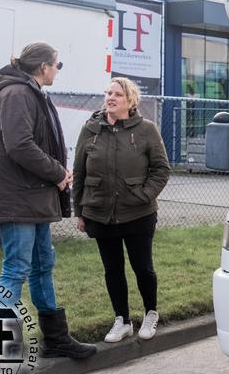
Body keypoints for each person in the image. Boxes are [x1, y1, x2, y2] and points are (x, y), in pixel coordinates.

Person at [0, 42, 96, 359]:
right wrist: (57, 173)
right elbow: (19, 145)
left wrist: (56, 174)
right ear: (43, 66)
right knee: (16, 269)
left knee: (43, 265)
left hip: (33, 198)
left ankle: (56, 339)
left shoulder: (30, 93)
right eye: (58, 65)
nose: (58, 70)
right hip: (17, 199)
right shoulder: (17, 94)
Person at [73, 77, 171, 342]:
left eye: (117, 94)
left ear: (130, 100)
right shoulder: (90, 129)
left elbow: (161, 169)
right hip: (100, 213)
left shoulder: (146, 130)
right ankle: (122, 320)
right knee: (112, 269)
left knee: (143, 267)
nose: (110, 98)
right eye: (108, 93)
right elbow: (79, 172)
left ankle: (150, 313)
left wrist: (144, 195)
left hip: (138, 213)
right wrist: (79, 211)